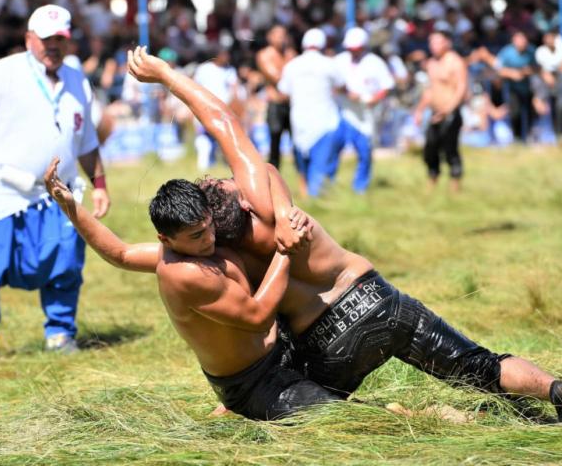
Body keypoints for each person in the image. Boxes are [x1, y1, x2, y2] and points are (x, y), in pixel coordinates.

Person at [123, 48, 562, 424]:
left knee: (295, 392)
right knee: (479, 364)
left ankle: (426, 418)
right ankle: (551, 388)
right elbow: (223, 120)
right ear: (241, 201)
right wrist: (166, 73)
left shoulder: (223, 258)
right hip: (379, 299)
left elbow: (143, 260)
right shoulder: (266, 204)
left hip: (325, 342)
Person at [43, 46, 340, 420]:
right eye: (196, 237)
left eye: (207, 227)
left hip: (280, 351)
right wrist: (285, 250)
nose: (209, 239)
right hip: (252, 379)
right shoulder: (177, 267)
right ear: (166, 240)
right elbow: (118, 254)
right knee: (341, 417)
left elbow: (254, 158)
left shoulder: (209, 232)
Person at [0, 4, 111, 363]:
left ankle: (60, 332)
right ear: (29, 39)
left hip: (62, 191)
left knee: (66, 263)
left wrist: (99, 183)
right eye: (45, 39)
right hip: (5, 191)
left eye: (60, 39)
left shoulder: (77, 80)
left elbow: (85, 141)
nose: (53, 46)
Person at [278, 28, 345, 197]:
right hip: (325, 120)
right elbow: (342, 85)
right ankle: (317, 201)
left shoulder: (292, 65)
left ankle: (308, 198)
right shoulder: (329, 64)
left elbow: (283, 91)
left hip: (299, 120)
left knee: (304, 165)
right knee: (321, 167)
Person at [332, 27, 395, 194]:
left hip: (366, 114)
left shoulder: (375, 62)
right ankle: (327, 184)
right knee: (333, 148)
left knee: (365, 151)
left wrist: (374, 99)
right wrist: (345, 92)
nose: (353, 52)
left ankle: (360, 187)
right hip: (343, 111)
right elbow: (332, 84)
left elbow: (387, 86)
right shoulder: (339, 61)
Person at [414, 30, 468, 193]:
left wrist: (448, 109)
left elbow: (461, 88)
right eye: (431, 42)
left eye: (437, 42)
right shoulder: (431, 63)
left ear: (447, 43)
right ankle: (433, 177)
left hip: (450, 113)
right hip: (434, 113)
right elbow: (430, 90)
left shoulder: (455, 62)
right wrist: (419, 110)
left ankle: (455, 183)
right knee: (430, 148)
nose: (433, 46)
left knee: (450, 149)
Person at [256, 25, 296, 169]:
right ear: (270, 37)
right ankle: (274, 177)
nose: (282, 39)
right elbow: (276, 78)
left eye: (284, 35)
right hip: (275, 103)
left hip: (291, 103)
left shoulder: (291, 53)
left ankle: (303, 179)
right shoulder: (264, 55)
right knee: (275, 141)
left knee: (297, 141)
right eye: (278, 36)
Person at [192, 47, 239, 170]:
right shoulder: (203, 69)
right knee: (203, 136)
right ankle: (203, 165)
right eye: (224, 54)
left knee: (224, 138)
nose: (227, 57)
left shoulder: (230, 70)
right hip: (204, 107)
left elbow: (234, 89)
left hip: (224, 110)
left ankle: (225, 164)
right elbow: (195, 87)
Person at [496, 31, 537, 142]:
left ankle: (529, 135)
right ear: (514, 40)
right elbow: (498, 69)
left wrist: (524, 72)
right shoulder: (506, 52)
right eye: (519, 40)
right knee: (515, 112)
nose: (522, 42)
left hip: (529, 88)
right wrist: (512, 73)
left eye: (524, 40)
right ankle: (517, 137)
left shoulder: (531, 51)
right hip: (512, 88)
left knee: (531, 111)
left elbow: (537, 68)